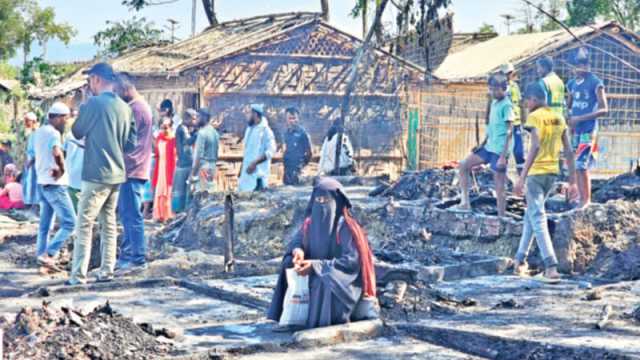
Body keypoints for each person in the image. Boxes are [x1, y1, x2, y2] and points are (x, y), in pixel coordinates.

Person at [267, 177, 377, 329]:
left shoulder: (345, 227)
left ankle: (317, 324)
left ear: (337, 203)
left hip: (344, 284)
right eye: (317, 200)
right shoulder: (309, 223)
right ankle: (288, 319)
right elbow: (297, 241)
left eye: (325, 201)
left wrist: (316, 266)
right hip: (317, 270)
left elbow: (351, 262)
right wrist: (297, 251)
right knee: (288, 262)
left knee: (322, 280)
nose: (321, 205)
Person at [68, 62, 136, 285]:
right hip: (117, 174)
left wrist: (86, 106)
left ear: (96, 79)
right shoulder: (126, 108)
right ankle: (107, 270)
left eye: (89, 80)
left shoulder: (93, 104)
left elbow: (77, 131)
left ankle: (78, 275)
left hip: (96, 174)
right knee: (109, 223)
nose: (89, 85)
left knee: (84, 224)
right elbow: (129, 144)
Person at [513, 82, 578, 281]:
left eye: (526, 101)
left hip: (535, 174)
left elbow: (534, 146)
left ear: (533, 99)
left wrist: (521, 177)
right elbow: (568, 151)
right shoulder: (559, 118)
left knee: (538, 217)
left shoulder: (534, 117)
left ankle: (551, 266)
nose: (525, 105)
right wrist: (572, 181)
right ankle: (519, 260)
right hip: (552, 173)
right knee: (531, 216)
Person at [456, 73, 513, 217]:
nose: (493, 92)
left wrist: (503, 156)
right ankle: (465, 203)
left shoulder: (507, 105)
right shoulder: (494, 103)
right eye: (491, 89)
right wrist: (481, 145)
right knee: (463, 165)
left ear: (503, 88)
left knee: (499, 186)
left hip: (499, 150)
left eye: (495, 89)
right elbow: (491, 128)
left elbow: (509, 132)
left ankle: (501, 217)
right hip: (488, 147)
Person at [116, 73, 154, 271]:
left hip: (133, 167)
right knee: (127, 213)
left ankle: (137, 257)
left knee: (132, 215)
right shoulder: (137, 107)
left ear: (124, 88)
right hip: (130, 168)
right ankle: (127, 253)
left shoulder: (136, 109)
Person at [33, 102, 77, 269]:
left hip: (42, 183)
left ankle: (41, 255)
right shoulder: (53, 134)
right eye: (65, 119)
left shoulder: (39, 132)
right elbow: (57, 152)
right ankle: (49, 253)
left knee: (45, 225)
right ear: (57, 118)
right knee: (70, 222)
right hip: (55, 184)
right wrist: (62, 169)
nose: (66, 122)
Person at [566, 48, 608, 208]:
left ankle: (586, 200)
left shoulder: (595, 82)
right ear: (573, 66)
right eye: (579, 64)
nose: (583, 67)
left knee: (582, 164)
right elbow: (569, 105)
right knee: (575, 164)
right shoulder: (571, 84)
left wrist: (580, 118)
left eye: (585, 63)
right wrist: (568, 118)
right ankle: (577, 197)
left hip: (588, 130)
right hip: (575, 130)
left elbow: (604, 109)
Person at [238, 104, 276, 192]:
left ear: (255, 114)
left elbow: (271, 150)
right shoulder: (249, 129)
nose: (246, 115)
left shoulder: (266, 131)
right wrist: (241, 168)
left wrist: (255, 163)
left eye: (248, 113)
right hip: (246, 175)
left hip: (258, 177)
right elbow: (247, 151)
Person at [500, 63, 525, 175]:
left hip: (516, 122)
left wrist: (524, 120)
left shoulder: (515, 86)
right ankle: (502, 177)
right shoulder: (501, 87)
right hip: (505, 123)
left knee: (519, 151)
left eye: (511, 73)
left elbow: (520, 103)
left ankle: (521, 177)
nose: (510, 75)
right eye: (508, 73)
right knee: (505, 151)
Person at [173, 108, 198, 210]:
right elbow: (188, 141)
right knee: (181, 192)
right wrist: (198, 133)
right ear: (187, 119)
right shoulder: (182, 129)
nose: (195, 121)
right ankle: (179, 213)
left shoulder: (184, 128)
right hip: (184, 165)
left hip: (185, 164)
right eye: (193, 119)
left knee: (184, 191)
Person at [152, 118, 176, 222]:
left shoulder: (173, 139)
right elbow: (157, 153)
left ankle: (168, 215)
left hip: (170, 167)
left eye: (166, 127)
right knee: (160, 190)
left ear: (170, 127)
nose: (164, 129)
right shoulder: (159, 138)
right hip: (160, 166)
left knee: (168, 190)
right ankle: (159, 215)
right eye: (162, 127)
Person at [190, 108, 219, 194]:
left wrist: (193, 173)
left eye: (198, 117)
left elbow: (198, 156)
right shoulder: (215, 132)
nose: (196, 119)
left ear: (204, 118)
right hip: (213, 166)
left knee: (202, 195)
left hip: (203, 168)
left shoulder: (202, 133)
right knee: (210, 194)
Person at [282, 107, 312, 185]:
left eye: (294, 118)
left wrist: (301, 166)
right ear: (286, 119)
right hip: (287, 172)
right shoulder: (286, 133)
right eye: (289, 118)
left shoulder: (302, 133)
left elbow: (309, 153)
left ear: (298, 119)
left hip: (298, 172)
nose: (292, 121)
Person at [22, 112, 40, 207]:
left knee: (35, 184)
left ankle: (35, 206)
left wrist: (31, 161)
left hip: (35, 162)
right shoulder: (31, 133)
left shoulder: (38, 133)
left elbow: (37, 150)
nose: (25, 123)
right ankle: (30, 203)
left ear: (33, 121)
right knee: (28, 183)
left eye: (27, 121)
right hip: (30, 161)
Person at [63, 131, 84, 211]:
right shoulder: (92, 133)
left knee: (73, 205)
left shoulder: (69, 134)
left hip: (71, 174)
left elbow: (63, 153)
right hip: (86, 175)